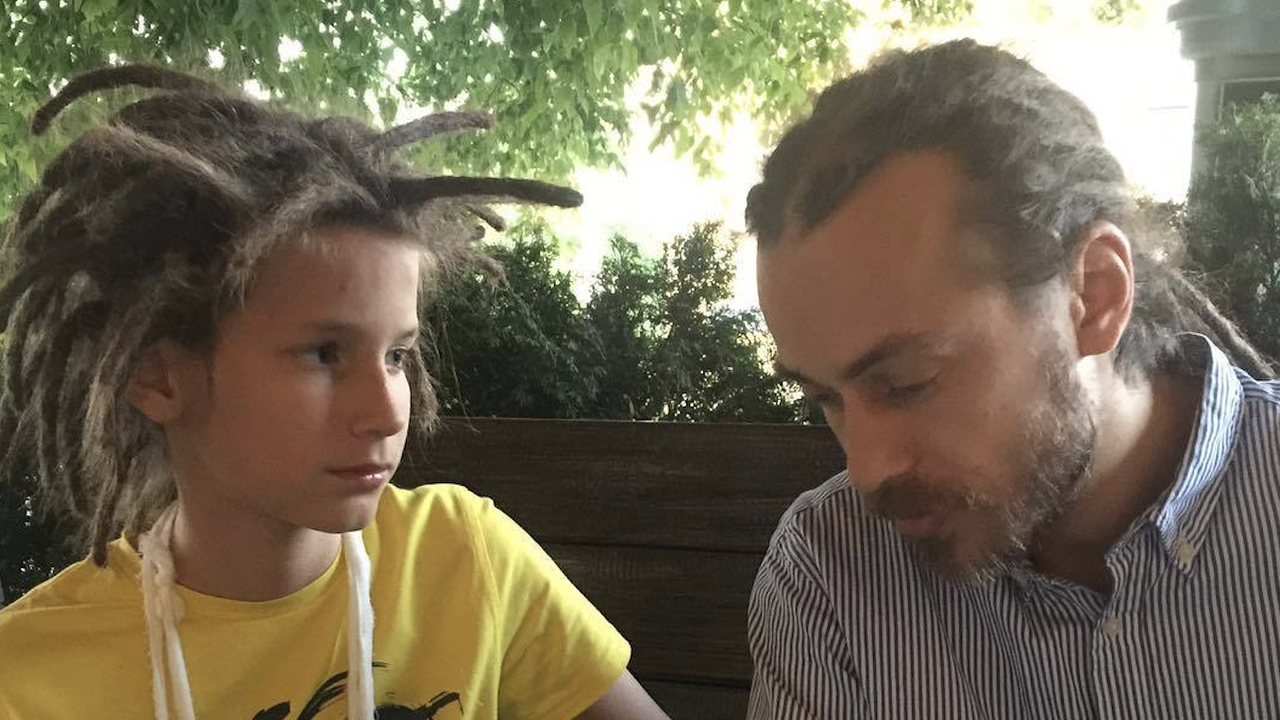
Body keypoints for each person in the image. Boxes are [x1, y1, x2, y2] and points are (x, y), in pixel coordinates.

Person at [0, 65, 670, 720]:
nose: (386, 414)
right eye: (323, 354)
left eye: (397, 356)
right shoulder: (28, 677)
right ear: (158, 377)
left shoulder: (465, 560)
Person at [744, 39, 1280, 719]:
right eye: (825, 399)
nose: (867, 469)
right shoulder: (831, 572)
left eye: (907, 382)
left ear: (1095, 294)